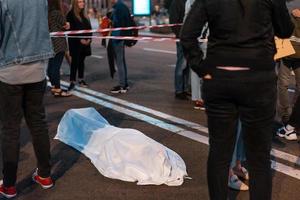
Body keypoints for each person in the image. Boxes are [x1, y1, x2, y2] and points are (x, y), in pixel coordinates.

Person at [180, 0, 294, 199]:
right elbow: (285, 30)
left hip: (220, 78)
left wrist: (201, 67)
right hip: (258, 79)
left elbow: (187, 34)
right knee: (259, 157)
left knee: (219, 152)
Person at [0, 0, 54, 198]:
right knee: (38, 122)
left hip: (9, 70)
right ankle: (45, 175)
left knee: (10, 128)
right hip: (38, 68)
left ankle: (9, 185)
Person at [277, 6, 300, 137]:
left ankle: (288, 118)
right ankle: (293, 120)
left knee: (283, 84)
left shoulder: (288, 5)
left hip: (286, 49)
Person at [48, 0, 72, 97]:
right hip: (59, 43)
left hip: (50, 43)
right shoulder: (57, 13)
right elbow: (65, 25)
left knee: (51, 65)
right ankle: (57, 88)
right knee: (56, 66)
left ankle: (54, 86)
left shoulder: (47, 13)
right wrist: (68, 24)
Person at [67, 0, 92, 91]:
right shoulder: (70, 15)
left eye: (83, 2)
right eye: (80, 2)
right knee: (75, 62)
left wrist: (89, 39)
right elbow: (71, 30)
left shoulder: (84, 15)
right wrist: (80, 39)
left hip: (85, 43)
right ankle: (72, 81)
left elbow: (89, 28)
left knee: (82, 61)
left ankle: (81, 79)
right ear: (75, 3)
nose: (82, 3)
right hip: (75, 43)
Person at [169, 0, 189, 100]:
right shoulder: (176, 2)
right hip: (182, 38)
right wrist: (180, 35)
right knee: (182, 64)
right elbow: (173, 22)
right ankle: (179, 90)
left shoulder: (186, 1)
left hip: (189, 37)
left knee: (187, 65)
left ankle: (184, 89)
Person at [110, 0, 131, 94]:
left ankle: (122, 85)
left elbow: (118, 23)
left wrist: (111, 21)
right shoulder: (122, 6)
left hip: (118, 36)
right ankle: (124, 84)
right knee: (121, 60)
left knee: (119, 61)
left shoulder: (118, 7)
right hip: (120, 36)